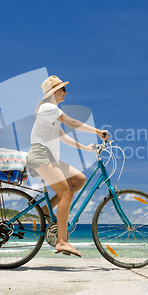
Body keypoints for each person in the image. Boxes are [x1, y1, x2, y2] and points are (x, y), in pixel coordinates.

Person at [26, 75, 109, 257]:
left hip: (50, 158)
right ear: (55, 92)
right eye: (63, 89)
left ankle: (46, 210)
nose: (66, 92)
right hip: (41, 156)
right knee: (67, 192)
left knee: (79, 180)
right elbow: (71, 122)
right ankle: (62, 241)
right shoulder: (48, 108)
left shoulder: (52, 111)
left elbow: (63, 136)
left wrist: (85, 147)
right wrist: (98, 132)